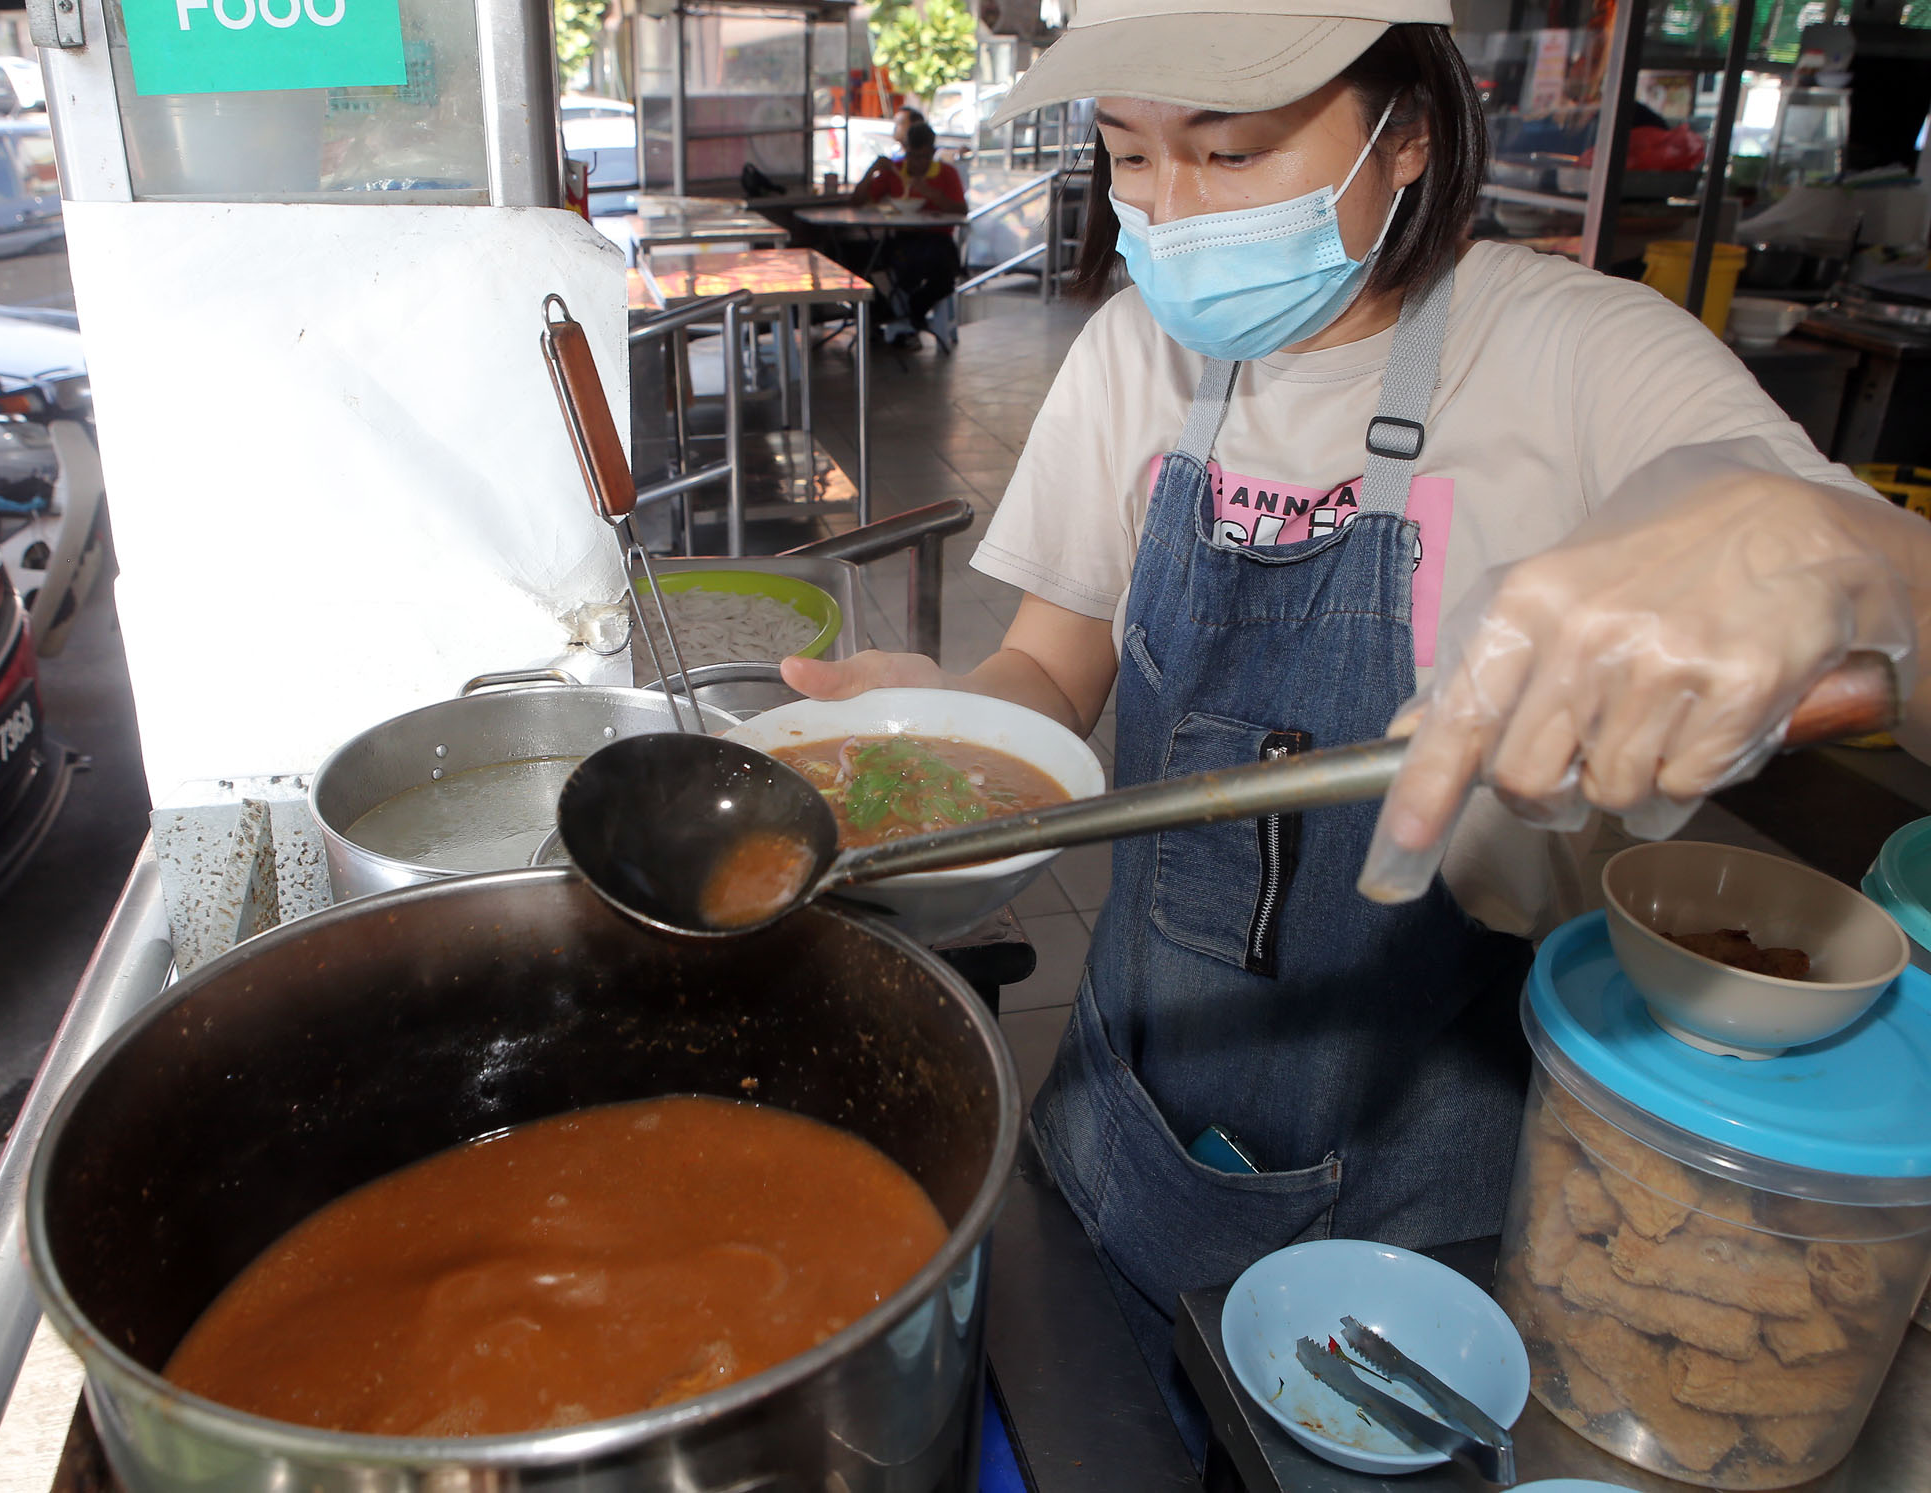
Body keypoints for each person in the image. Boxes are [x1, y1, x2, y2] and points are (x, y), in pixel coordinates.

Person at [781, 0, 1931, 1457]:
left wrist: (1826, 546)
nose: (1170, 212)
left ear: (1414, 136)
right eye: (1132, 159)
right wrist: (932, 737)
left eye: (1233, 150)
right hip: (1124, 1130)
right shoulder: (1139, 355)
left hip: (1434, 1203)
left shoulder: (1578, 354)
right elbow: (1048, 675)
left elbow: (1841, 562)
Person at [851, 122, 967, 350]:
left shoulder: (946, 173)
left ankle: (909, 316)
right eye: (913, 156)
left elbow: (961, 210)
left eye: (924, 157)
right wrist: (872, 171)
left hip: (938, 240)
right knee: (868, 262)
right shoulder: (895, 171)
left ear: (933, 153)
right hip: (902, 239)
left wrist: (931, 193)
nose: (917, 163)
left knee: (944, 272)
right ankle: (899, 320)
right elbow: (856, 201)